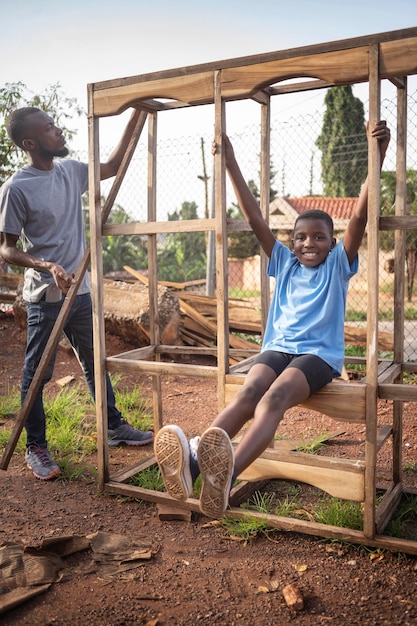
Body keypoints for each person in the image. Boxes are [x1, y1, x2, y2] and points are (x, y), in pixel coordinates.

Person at [154, 120, 391, 519]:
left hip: (316, 357)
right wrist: (228, 162)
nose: (308, 243)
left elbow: (359, 218)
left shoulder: (337, 265)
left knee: (275, 397)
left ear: (332, 244)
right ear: (291, 241)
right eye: (301, 237)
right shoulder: (283, 263)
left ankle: (225, 479)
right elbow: (252, 216)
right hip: (277, 348)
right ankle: (195, 464)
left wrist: (376, 157)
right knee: (248, 394)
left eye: (318, 237)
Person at [0, 106, 153, 480]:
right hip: (45, 298)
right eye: (50, 129)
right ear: (31, 143)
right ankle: (36, 446)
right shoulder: (16, 189)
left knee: (94, 360)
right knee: (38, 373)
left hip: (80, 292)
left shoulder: (71, 171)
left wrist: (138, 110)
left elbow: (113, 165)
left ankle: (113, 425)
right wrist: (47, 266)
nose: (59, 131)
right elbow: (6, 249)